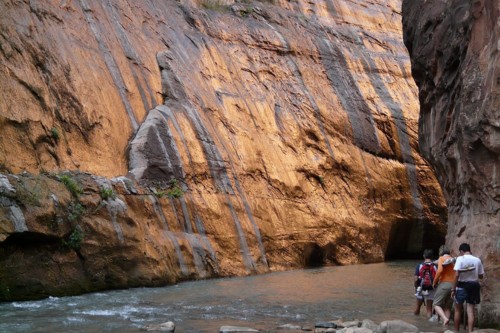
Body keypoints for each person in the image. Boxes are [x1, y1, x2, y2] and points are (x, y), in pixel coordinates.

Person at [451, 243, 485, 333]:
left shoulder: (460, 259)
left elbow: (456, 275)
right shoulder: (477, 260)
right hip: (474, 285)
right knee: (471, 311)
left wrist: (453, 289)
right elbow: (481, 276)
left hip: (462, 285)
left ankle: (456, 331)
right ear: (469, 250)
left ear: (461, 251)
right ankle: (470, 331)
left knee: (458, 310)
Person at [432, 245, 455, 325]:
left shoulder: (442, 258)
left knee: (436, 304)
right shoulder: (452, 259)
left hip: (445, 283)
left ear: (440, 252)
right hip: (454, 285)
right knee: (447, 307)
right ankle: (446, 326)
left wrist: (434, 282)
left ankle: (445, 319)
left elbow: (440, 270)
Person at [414, 249, 436, 317]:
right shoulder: (435, 266)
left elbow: (415, 278)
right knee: (429, 309)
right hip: (431, 287)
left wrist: (416, 287)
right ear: (432, 256)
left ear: (424, 256)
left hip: (421, 287)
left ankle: (416, 322)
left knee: (417, 308)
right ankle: (429, 324)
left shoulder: (419, 265)